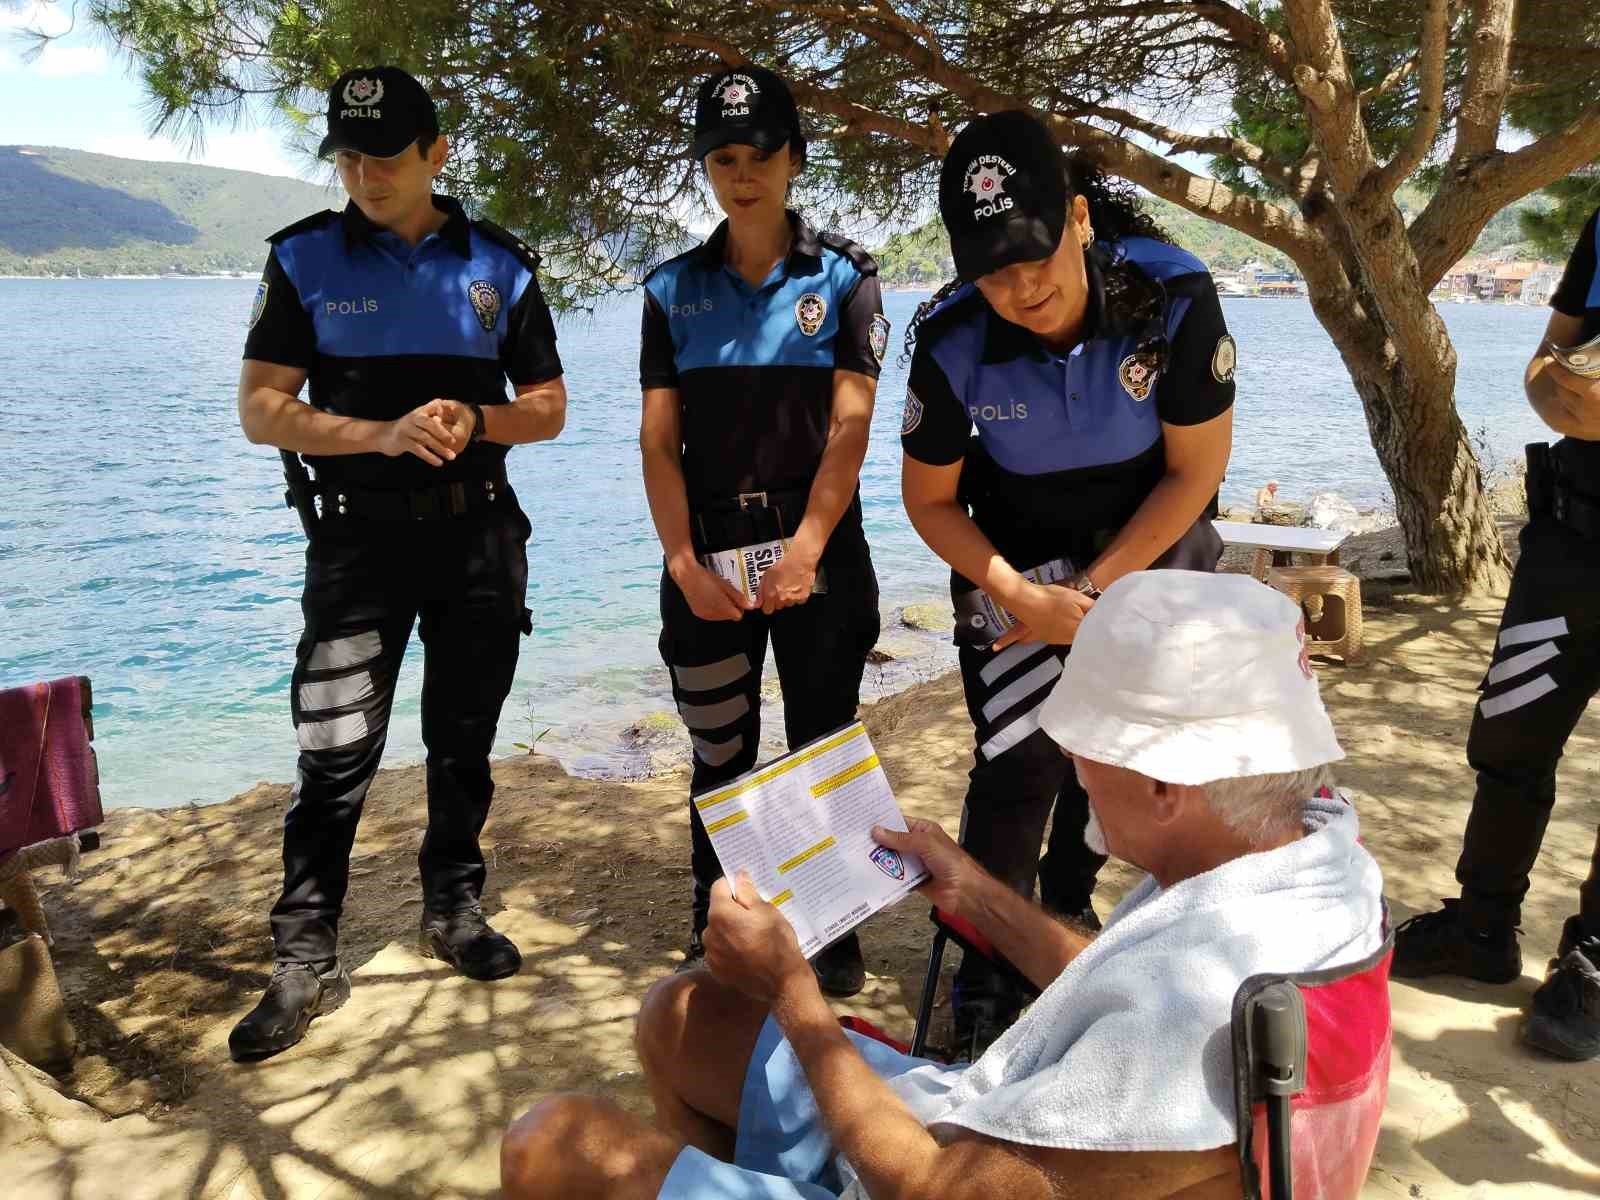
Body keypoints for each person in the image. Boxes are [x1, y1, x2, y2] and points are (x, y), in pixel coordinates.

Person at [500, 570, 1387, 1200]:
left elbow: (934, 1189)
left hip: (938, 1173)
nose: (1073, 761)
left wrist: (793, 992)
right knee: (683, 1015)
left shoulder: (1176, 1022)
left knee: (548, 1147)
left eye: (1089, 744)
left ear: (1166, 785)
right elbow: (1123, 980)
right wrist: (976, 893)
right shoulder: (1304, 861)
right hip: (989, 1130)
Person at [228, 66, 567, 1061]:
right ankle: (304, 955)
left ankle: (453, 910)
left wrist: (480, 418)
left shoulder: (499, 266)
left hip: (479, 539)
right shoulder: (303, 260)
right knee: (332, 756)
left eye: (383, 155)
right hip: (355, 546)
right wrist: (377, 435)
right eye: (346, 155)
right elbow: (260, 409)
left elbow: (548, 407)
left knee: (462, 745)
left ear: (436, 153)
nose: (363, 173)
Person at [898, 110, 1235, 1050]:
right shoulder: (955, 336)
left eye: (1036, 256)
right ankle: (989, 962)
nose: (1019, 287)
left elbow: (1194, 473)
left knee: (1138, 757)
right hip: (1017, 568)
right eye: (992, 269)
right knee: (1018, 759)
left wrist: (1094, 595)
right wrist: (1018, 592)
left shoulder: (1171, 299)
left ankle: (1076, 907)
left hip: (1151, 542)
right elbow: (929, 503)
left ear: (1080, 219)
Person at [637, 65, 887, 996]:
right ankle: (724, 930)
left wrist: (809, 548)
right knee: (720, 755)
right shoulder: (669, 292)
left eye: (761, 155)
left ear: (794, 158)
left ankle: (837, 924)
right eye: (724, 157)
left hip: (819, 553)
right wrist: (682, 560)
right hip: (705, 562)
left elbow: (851, 428)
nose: (743, 174)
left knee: (825, 740)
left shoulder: (846, 278)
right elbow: (660, 445)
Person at [1392, 205, 1600, 1062]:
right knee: (1510, 729)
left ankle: (1592, 965)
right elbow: (1548, 362)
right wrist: (1561, 390)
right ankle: (1482, 928)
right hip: (1572, 532)